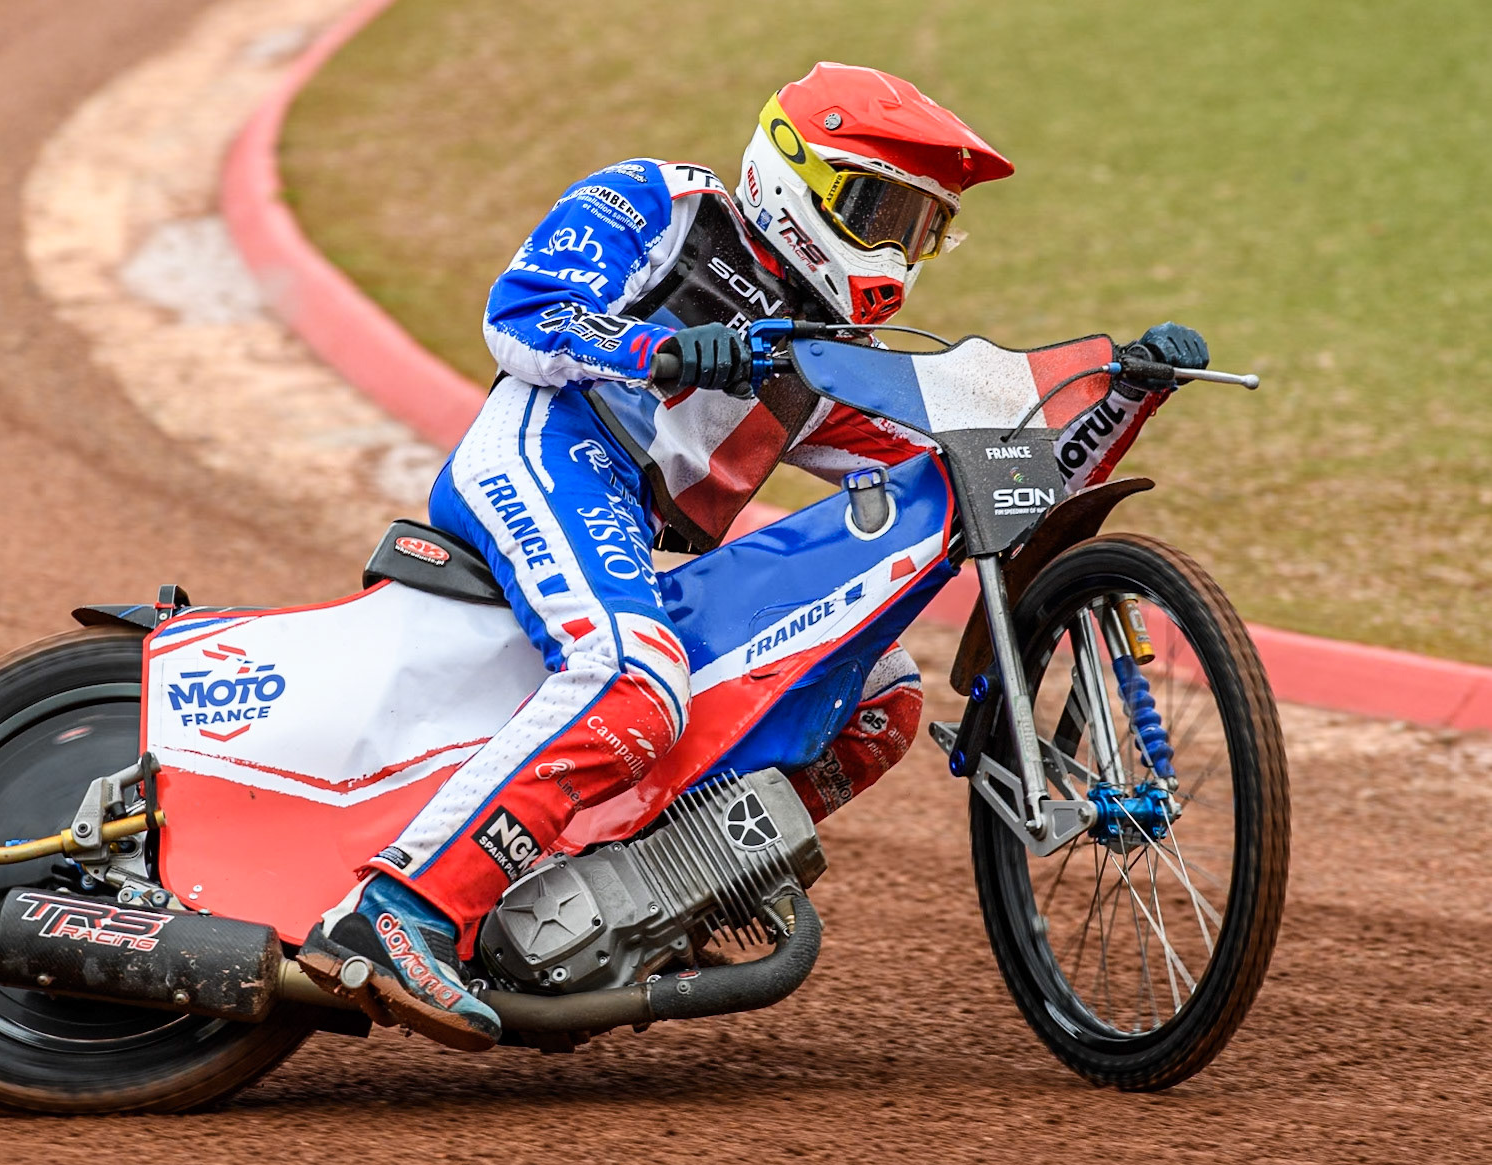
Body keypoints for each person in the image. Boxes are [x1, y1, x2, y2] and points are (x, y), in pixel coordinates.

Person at [299, 62, 1209, 1049]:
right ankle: (400, 915)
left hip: (643, 543)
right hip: (550, 453)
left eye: (921, 227)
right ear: (793, 176)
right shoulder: (659, 200)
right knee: (634, 678)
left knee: (881, 697)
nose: (898, 249)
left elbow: (981, 480)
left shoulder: (824, 351)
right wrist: (664, 352)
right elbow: (523, 317)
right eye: (879, 209)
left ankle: (649, 889)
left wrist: (1119, 400)